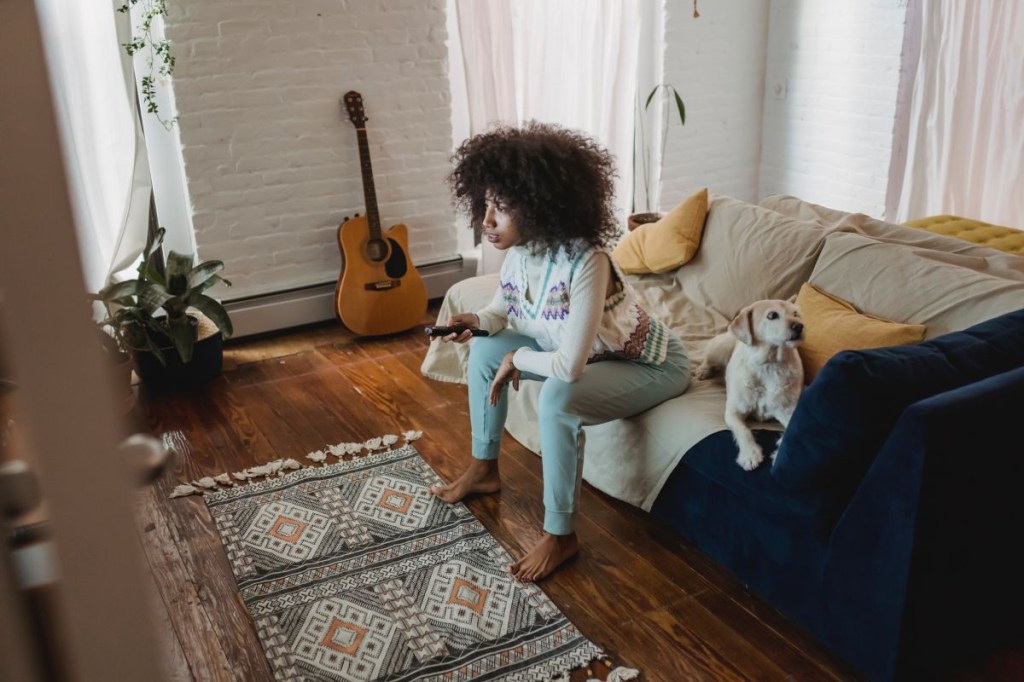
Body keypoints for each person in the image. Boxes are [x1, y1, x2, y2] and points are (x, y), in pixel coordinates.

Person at [430, 121, 691, 582]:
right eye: (486, 204)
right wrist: (478, 323)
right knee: (488, 350)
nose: (486, 221)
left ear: (540, 205)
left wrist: (518, 359)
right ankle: (483, 466)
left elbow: (567, 369)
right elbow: (502, 309)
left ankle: (560, 533)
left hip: (647, 365)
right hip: (584, 355)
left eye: (502, 208)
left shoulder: (588, 260)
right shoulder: (520, 253)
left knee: (556, 398)